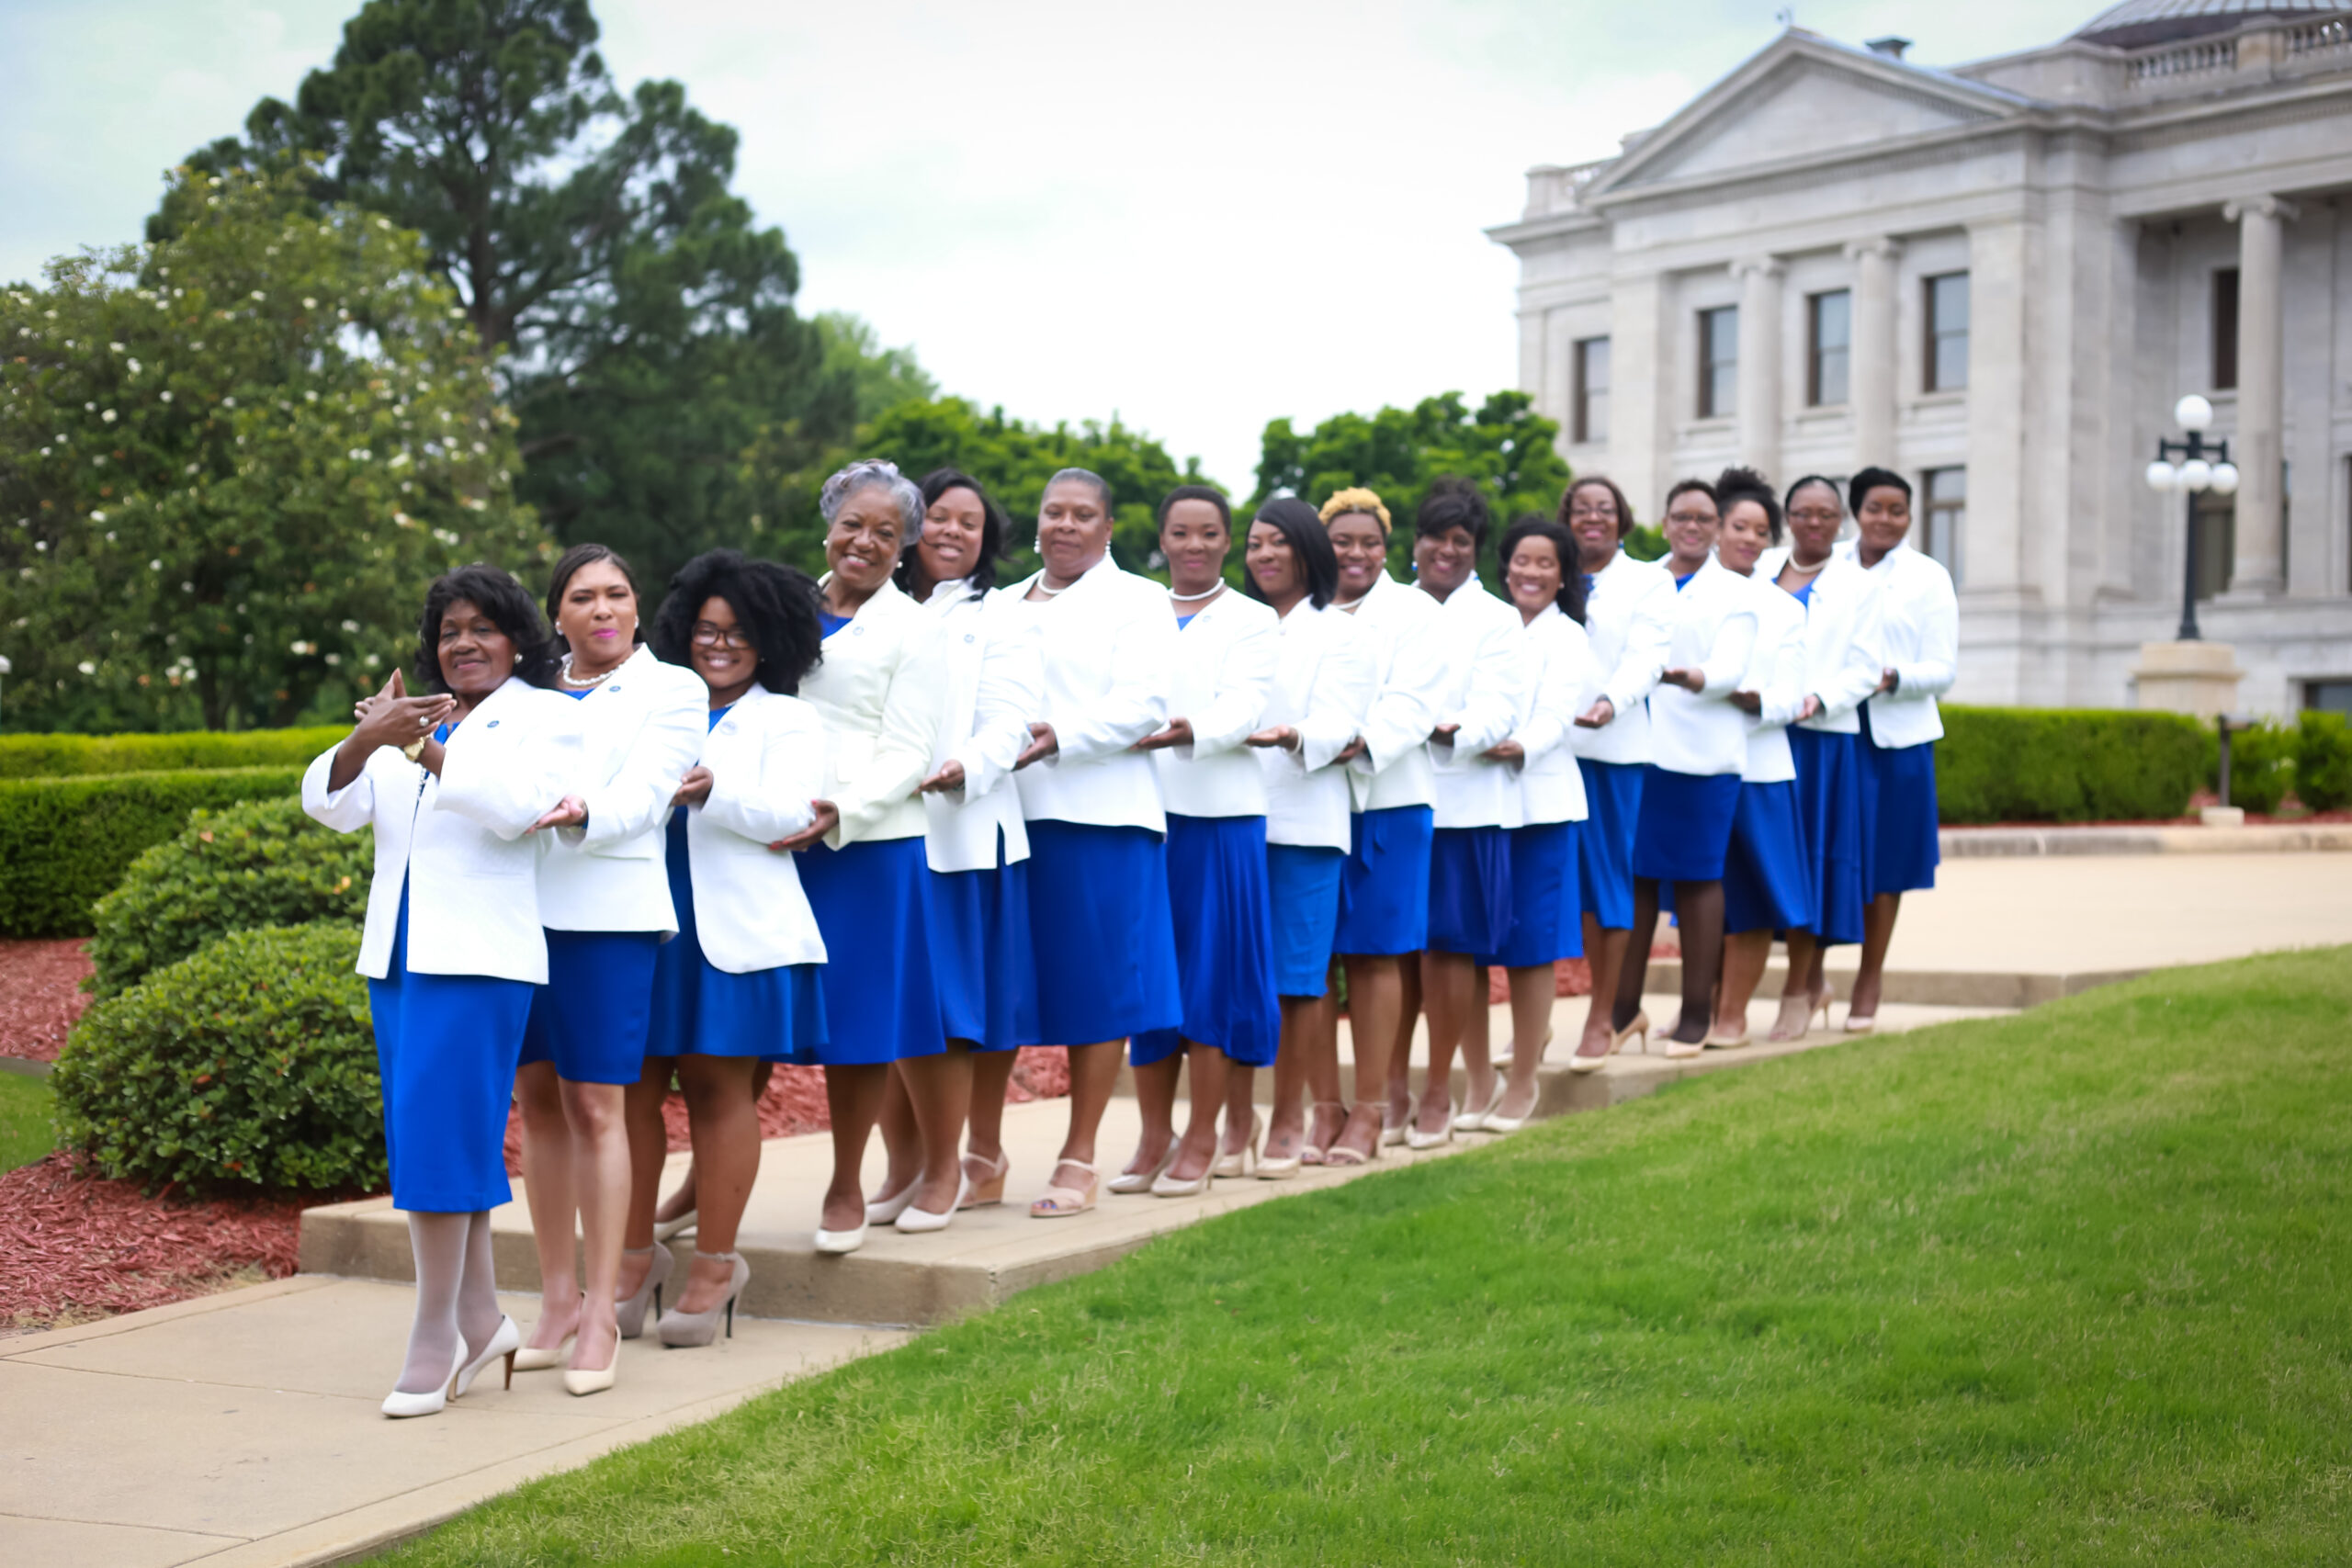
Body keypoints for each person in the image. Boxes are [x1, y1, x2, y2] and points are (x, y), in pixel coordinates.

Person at [302, 564, 582, 1417]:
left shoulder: (548, 715)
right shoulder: (415, 720)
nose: (463, 642)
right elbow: (329, 804)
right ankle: (477, 1315)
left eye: (482, 627)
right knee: (433, 1138)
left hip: (479, 960)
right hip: (398, 954)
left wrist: (416, 745)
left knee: (436, 1141)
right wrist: (367, 739)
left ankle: (436, 1335)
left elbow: (516, 808)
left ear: (516, 637)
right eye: (449, 630)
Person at [616, 551, 830, 1347]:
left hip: (735, 927)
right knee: (630, 1090)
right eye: (706, 630)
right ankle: (632, 1259)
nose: (719, 644)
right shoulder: (652, 703)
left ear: (770, 639)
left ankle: (714, 1263)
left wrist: (717, 792)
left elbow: (794, 817)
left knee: (715, 1089)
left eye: (738, 632)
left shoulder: (790, 718)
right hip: (641, 917)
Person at [509, 544, 704, 1393]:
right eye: (582, 597)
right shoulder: (524, 689)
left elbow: (650, 792)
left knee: (598, 1104)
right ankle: (555, 1299)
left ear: (636, 605)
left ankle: (601, 1315)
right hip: (515, 914)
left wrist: (586, 808)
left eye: (617, 593)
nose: (601, 609)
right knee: (538, 1102)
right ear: (557, 615)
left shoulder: (674, 688)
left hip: (609, 916)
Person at [1003, 468, 1182, 1217]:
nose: (1065, 525)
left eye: (1083, 515)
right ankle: (982, 1155)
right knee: (1004, 986)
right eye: (1054, 512)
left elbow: (1144, 702)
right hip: (1008, 817)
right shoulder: (1002, 602)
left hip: (1099, 815)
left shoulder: (1138, 600)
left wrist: (1061, 739)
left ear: (1109, 528)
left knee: (1097, 988)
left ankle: (1080, 1154)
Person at [784, 459, 952, 1250]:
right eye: (854, 523)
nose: (866, 541)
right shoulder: (783, 605)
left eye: (887, 532)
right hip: (770, 839)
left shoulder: (918, 629)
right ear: (828, 522)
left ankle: (848, 1181)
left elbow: (909, 748)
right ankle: (705, 1176)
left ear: (906, 546)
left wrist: (839, 810)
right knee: (756, 1016)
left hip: (865, 845)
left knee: (856, 1021)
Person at [1117, 485, 1278, 1196]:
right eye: (1179, 532)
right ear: (1162, 538)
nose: (1193, 545)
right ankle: (1154, 1135)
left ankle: (1204, 1133)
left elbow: (1248, 701)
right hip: (1144, 815)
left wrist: (1195, 730)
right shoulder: (1136, 609)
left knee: (1210, 977)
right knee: (1148, 978)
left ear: (1227, 541)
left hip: (1218, 816)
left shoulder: (1252, 619)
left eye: (1208, 533)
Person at [900, 468, 1044, 1217]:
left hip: (966, 831)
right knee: (904, 1004)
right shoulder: (865, 602)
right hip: (881, 835)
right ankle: (917, 1164)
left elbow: (1011, 718)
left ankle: (957, 1162)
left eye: (970, 523)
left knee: (964, 1007)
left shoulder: (1003, 616)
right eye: (939, 517)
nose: (952, 531)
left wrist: (966, 767)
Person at [1225, 498, 1372, 1178]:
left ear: (1308, 551)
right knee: (1232, 976)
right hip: (1226, 816)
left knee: (1298, 980)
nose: (1263, 555)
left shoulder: (1339, 631)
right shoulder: (1231, 624)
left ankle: (1291, 1116)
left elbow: (1343, 721)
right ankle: (1233, 1119)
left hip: (1303, 822)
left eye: (1278, 542)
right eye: (1254, 543)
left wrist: (1296, 735)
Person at [1320, 486, 1451, 1166]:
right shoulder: (1301, 608)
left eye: (1369, 542)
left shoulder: (1414, 613)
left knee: (1374, 953)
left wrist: (1353, 741)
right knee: (1310, 960)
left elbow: (1413, 702)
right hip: (1310, 806)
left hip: (1389, 801)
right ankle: (1320, 1108)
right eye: (1342, 540)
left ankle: (1370, 1109)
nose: (1356, 553)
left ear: (1388, 548)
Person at [1606, 479, 1758, 1058]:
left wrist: (1681, 675)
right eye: (1680, 517)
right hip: (1639, 753)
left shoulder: (1735, 592)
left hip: (1701, 757)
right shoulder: (1641, 581)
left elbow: (1729, 669)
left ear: (1718, 527)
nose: (1691, 527)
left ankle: (1698, 1011)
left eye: (1703, 518)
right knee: (1637, 882)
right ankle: (1622, 1009)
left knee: (1697, 880)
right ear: (1664, 523)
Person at [1396, 479, 1524, 1150]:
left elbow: (1499, 708)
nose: (1445, 550)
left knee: (1449, 950)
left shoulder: (1498, 619)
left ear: (1477, 550)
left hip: (1465, 805)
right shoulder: (1383, 608)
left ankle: (1438, 1091)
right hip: (1389, 798)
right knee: (1388, 953)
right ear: (1413, 542)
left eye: (1461, 541)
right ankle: (1389, 1089)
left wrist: (1448, 731)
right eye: (1435, 537)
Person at [1464, 516, 1593, 1132]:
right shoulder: (1483, 623)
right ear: (1505, 564)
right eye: (1522, 560)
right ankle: (1474, 1079)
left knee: (1530, 944)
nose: (1531, 573)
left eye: (1545, 563)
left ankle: (1522, 1083)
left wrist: (1517, 745)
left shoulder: (1568, 637)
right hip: (1476, 802)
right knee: (1467, 942)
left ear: (1563, 573)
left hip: (1540, 804)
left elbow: (1558, 713)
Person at [1754, 476, 1885, 1040]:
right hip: (1760, 733)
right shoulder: (1756, 569)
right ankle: (1725, 994)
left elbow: (1867, 667)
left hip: (1821, 739)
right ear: (1787, 517)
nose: (1814, 523)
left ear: (1841, 521)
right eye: (1803, 513)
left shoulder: (1858, 584)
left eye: (1826, 514)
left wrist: (1818, 701)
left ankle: (1801, 987)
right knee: (1758, 863)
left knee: (1810, 862)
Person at [1558, 476, 1675, 1072]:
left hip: (1611, 750)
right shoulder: (1549, 572)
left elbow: (1648, 656)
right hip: (1546, 752)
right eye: (1582, 509)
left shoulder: (1647, 580)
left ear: (1622, 518)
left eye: (1605, 509)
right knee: (1553, 889)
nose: (1594, 518)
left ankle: (1605, 1015)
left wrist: (1609, 702)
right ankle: (1542, 1019)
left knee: (1605, 888)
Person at [1836, 468, 1958, 1032]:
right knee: (1829, 852)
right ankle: (1809, 981)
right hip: (1832, 727)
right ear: (1855, 511)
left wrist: (1892, 678)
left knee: (1885, 863)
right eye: (1874, 508)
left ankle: (1869, 976)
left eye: (1897, 510)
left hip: (1897, 737)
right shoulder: (1826, 565)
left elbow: (1943, 670)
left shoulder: (1928, 577)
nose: (1885, 520)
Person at [1701, 470, 1816, 1045]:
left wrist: (1751, 701)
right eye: (1738, 526)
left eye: (1761, 530)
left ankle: (1732, 1013)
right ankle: (1700, 1008)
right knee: (1700, 897)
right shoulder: (1686, 594)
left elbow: (1791, 697)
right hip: (1694, 766)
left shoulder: (1784, 608)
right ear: (1716, 529)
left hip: (1759, 771)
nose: (1749, 537)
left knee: (1750, 897)